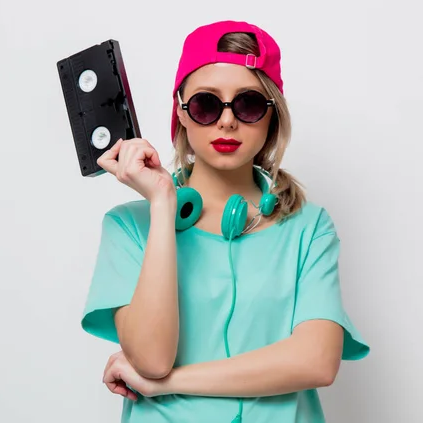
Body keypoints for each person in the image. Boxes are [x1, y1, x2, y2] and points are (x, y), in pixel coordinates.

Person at [80, 20, 369, 423]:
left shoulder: (310, 227)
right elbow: (150, 359)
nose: (227, 121)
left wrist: (171, 383)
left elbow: (317, 361)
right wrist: (163, 206)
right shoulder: (129, 228)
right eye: (205, 105)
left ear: (272, 118)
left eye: (249, 104)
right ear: (180, 113)